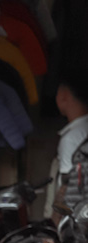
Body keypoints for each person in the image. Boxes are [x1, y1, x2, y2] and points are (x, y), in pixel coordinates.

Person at [46, 70, 88, 222]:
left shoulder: (71, 137)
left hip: (76, 216)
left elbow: (67, 182)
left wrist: (56, 219)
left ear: (64, 95)